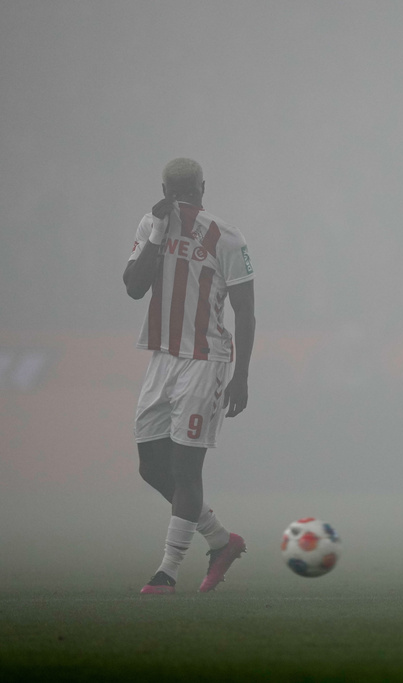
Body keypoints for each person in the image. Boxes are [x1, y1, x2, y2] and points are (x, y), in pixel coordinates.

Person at [123, 158, 255, 594]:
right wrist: (159, 235)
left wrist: (240, 375)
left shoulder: (226, 236)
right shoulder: (150, 225)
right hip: (162, 357)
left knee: (185, 468)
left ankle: (168, 571)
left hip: (206, 360)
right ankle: (220, 541)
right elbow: (134, 285)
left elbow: (245, 310)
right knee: (150, 465)